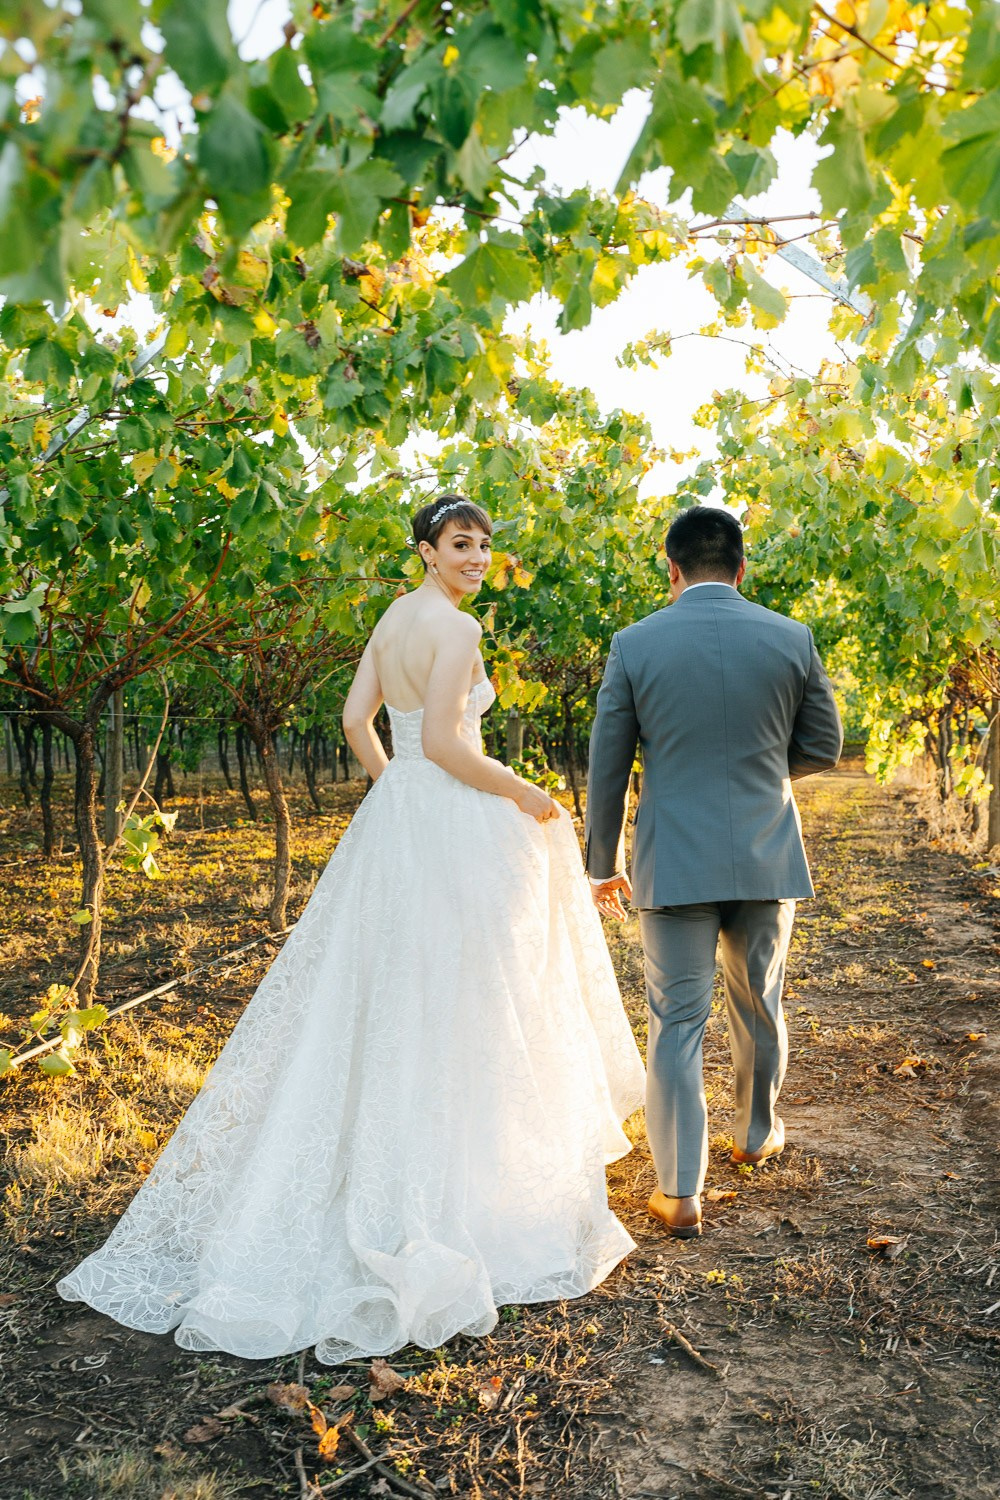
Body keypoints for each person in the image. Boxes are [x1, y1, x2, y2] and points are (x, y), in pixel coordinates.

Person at [58, 495, 645, 1361]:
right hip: (449, 815)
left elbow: (356, 722)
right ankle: (455, 1185)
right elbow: (448, 745)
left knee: (391, 988)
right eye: (459, 544)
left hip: (402, 817)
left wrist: (395, 787)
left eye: (484, 544)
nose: (476, 557)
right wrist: (524, 793)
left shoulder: (391, 619)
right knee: (464, 990)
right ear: (426, 550)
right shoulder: (457, 630)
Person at [586, 505, 843, 1239]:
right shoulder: (790, 636)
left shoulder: (634, 644)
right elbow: (824, 743)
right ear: (740, 568)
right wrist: (760, 769)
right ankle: (756, 1136)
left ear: (672, 569)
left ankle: (677, 1193)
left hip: (673, 860)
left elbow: (607, 766)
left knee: (676, 1023)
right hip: (766, 852)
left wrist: (601, 862)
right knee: (759, 1002)